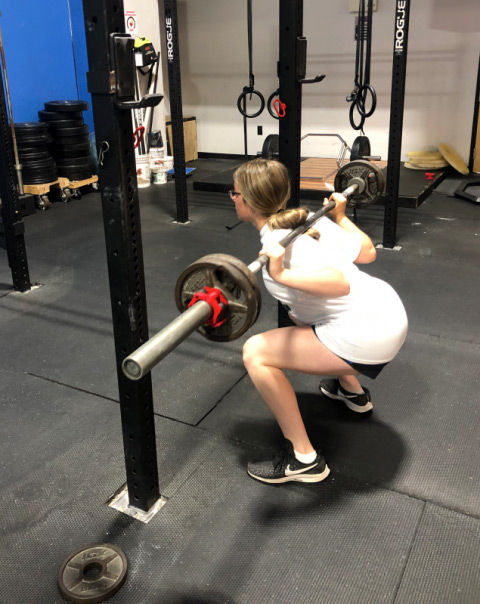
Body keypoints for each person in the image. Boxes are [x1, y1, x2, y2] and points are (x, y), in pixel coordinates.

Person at [229, 158, 408, 485]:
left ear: (250, 202)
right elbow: (368, 252)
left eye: (235, 193)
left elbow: (339, 283)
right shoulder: (311, 219)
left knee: (255, 352)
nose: (233, 198)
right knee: (301, 314)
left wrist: (280, 273)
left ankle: (304, 459)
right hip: (387, 311)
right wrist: (340, 218)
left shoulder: (284, 248)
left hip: (367, 337)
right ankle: (353, 393)